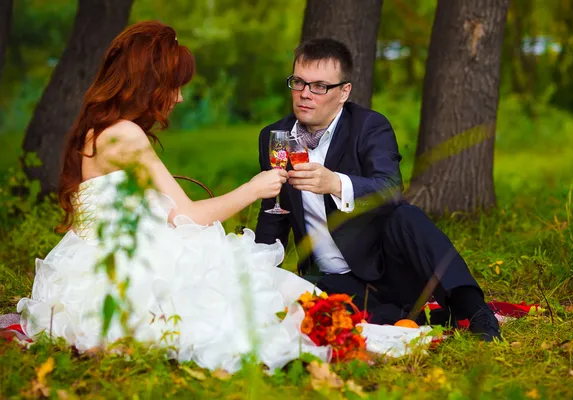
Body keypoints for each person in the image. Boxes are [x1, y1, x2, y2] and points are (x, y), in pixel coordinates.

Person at [16, 21, 335, 374]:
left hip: (99, 259)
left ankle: (333, 321)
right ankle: (341, 327)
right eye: (174, 86)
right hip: (124, 271)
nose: (180, 97)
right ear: (148, 84)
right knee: (250, 289)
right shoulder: (125, 135)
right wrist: (253, 189)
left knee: (267, 284)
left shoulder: (99, 130)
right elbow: (189, 215)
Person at [255, 38, 501, 342]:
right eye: (299, 82)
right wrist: (259, 278)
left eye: (320, 86)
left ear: (344, 92)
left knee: (407, 217)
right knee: (337, 317)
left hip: (387, 270)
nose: (305, 94)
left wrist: (335, 183)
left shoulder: (369, 126)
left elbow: (390, 189)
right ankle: (415, 317)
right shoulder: (274, 136)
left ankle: (475, 311)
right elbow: (273, 214)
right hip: (329, 281)